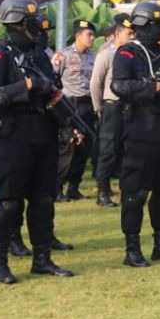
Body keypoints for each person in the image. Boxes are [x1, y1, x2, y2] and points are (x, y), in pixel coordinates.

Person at [0, 0, 75, 284]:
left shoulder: (38, 55)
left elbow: (54, 89)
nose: (37, 26)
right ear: (19, 23)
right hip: (13, 136)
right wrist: (29, 85)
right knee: (8, 204)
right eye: (32, 20)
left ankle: (42, 258)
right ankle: (0, 263)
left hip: (43, 133)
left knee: (43, 200)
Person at [111, 1, 160, 267]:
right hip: (140, 131)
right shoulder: (128, 53)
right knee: (135, 193)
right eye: (155, 25)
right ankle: (132, 248)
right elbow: (119, 85)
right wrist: (153, 88)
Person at [91, 14, 134, 207]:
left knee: (127, 150)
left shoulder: (132, 54)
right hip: (112, 106)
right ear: (118, 33)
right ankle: (103, 191)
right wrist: (98, 108)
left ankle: (126, 189)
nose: (132, 36)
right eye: (129, 33)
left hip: (129, 107)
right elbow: (95, 84)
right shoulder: (106, 54)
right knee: (108, 150)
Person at [53, 19, 98, 200]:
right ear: (78, 35)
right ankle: (57, 188)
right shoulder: (62, 56)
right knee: (68, 146)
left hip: (87, 103)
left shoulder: (93, 57)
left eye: (93, 35)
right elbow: (53, 81)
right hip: (69, 104)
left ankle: (74, 187)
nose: (92, 38)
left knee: (84, 147)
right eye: (89, 35)